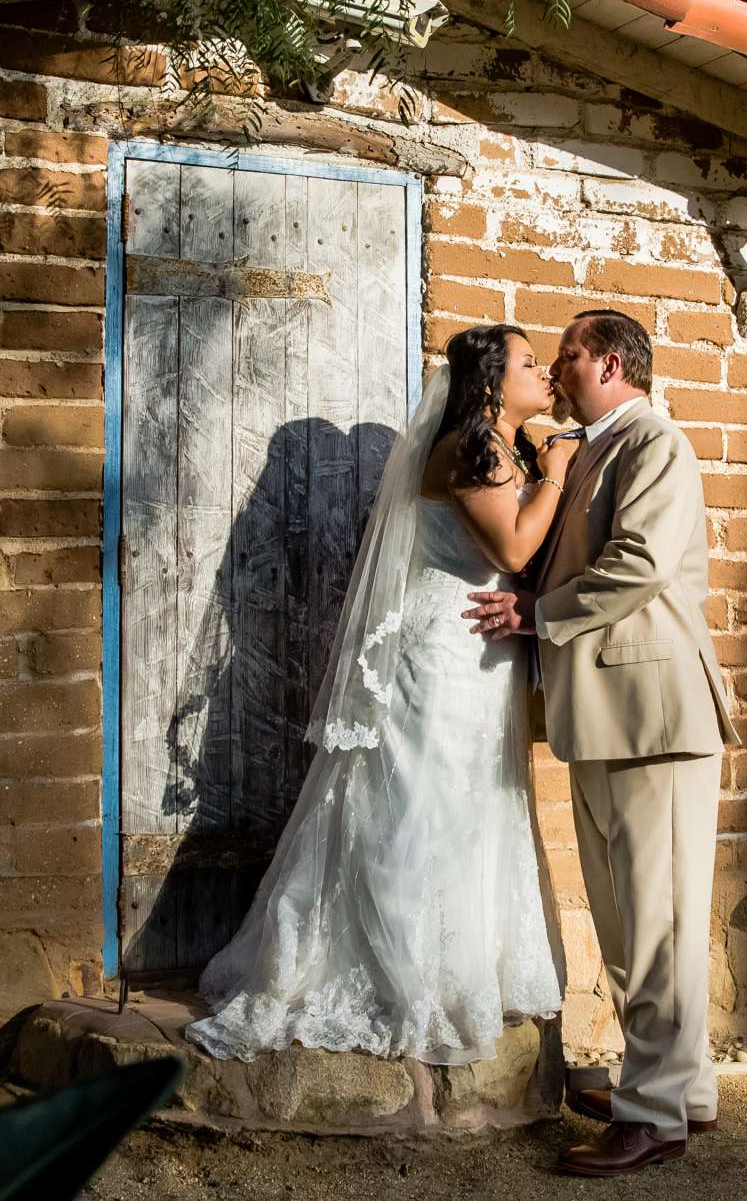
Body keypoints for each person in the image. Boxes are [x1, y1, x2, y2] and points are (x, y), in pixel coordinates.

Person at [186, 325, 574, 1066]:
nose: (544, 374)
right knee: (418, 800)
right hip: (439, 650)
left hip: (479, 651)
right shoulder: (473, 448)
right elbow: (514, 549)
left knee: (466, 802)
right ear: (491, 383)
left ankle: (456, 965)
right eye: (529, 363)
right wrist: (556, 469)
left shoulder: (499, 448)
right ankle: (397, 971)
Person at [466, 308, 737, 1177]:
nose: (556, 368)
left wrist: (537, 615)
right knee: (640, 919)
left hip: (651, 713)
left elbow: (641, 564)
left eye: (570, 355)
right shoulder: (593, 447)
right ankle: (679, 1089)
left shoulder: (652, 441)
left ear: (612, 363)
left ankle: (652, 1111)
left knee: (650, 922)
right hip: (611, 712)